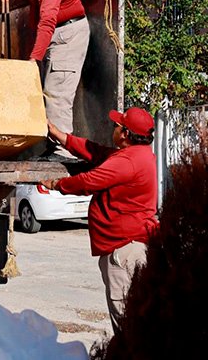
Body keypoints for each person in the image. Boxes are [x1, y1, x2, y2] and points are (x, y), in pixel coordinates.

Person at [40, 107, 159, 335]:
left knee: (128, 325)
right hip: (129, 245)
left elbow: (89, 181)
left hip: (123, 252)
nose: (112, 127)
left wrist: (58, 185)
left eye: (117, 125)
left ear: (125, 134)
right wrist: (60, 136)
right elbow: (94, 151)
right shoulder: (136, 154)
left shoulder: (127, 162)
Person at [2, 0, 90, 160]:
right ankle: (55, 145)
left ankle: (63, 150)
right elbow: (37, 17)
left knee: (57, 92)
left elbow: (48, 19)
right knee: (50, 90)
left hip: (66, 35)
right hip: (58, 34)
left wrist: (34, 58)